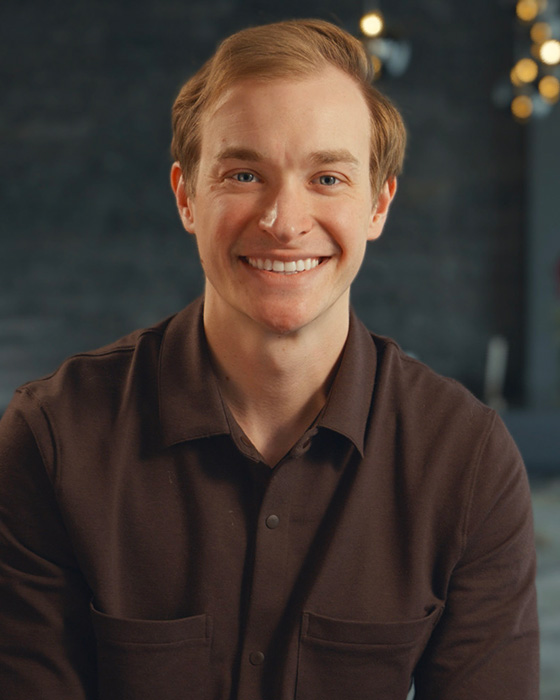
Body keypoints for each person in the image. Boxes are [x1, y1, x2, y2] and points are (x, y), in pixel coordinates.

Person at [0, 18, 539, 700]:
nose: (285, 221)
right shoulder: (53, 439)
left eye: (328, 177)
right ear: (186, 196)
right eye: (244, 172)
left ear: (378, 204)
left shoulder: (466, 461)